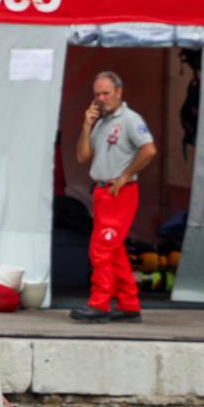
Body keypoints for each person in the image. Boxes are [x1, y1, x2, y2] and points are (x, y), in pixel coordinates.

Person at [71, 71, 156, 323]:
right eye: (97, 94)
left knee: (101, 249)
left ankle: (99, 304)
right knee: (114, 250)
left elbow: (149, 149)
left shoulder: (130, 119)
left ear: (119, 92)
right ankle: (130, 305)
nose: (101, 98)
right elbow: (83, 157)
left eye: (106, 93)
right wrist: (86, 125)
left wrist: (126, 175)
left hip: (119, 192)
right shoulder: (101, 123)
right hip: (102, 192)